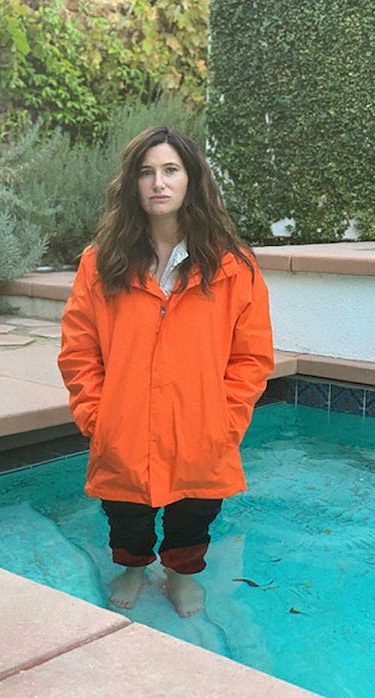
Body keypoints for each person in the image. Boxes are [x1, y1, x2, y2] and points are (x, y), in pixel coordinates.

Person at [58, 126, 274, 618]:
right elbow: (78, 349)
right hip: (123, 424)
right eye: (147, 171)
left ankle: (181, 573)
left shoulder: (233, 266)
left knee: (194, 512)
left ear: (191, 181)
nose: (159, 182)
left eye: (170, 170)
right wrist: (98, 417)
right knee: (125, 512)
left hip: (202, 427)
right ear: (133, 184)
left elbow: (252, 357)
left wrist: (226, 421)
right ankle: (133, 567)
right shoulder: (101, 264)